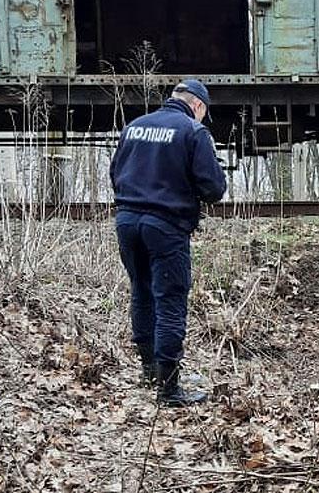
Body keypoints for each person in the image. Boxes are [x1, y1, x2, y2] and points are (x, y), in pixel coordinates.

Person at [110, 78, 227, 406]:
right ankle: (169, 388)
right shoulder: (193, 131)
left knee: (142, 291)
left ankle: (149, 370)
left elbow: (115, 174)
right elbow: (213, 189)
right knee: (170, 301)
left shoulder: (134, 127)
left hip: (127, 222)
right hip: (165, 227)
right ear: (198, 106)